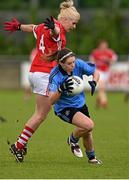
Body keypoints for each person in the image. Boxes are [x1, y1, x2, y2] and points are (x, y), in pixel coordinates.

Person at [4, 0, 80, 162]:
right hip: (44, 74)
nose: (75, 26)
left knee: (41, 112)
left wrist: (18, 27)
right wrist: (53, 28)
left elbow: (32, 27)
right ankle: (18, 145)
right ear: (65, 19)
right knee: (41, 114)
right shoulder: (57, 29)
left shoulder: (43, 26)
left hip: (35, 72)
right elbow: (55, 32)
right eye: (74, 23)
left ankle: (21, 143)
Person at [48, 48, 102, 164]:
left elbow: (95, 72)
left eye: (73, 62)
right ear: (61, 63)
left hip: (80, 104)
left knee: (87, 131)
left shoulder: (78, 64)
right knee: (88, 125)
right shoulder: (55, 76)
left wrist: (94, 82)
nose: (73, 65)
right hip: (64, 108)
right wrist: (60, 89)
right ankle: (72, 140)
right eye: (69, 63)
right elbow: (51, 101)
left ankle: (92, 158)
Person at [89, 40, 117, 108]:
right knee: (102, 87)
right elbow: (91, 60)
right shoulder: (95, 52)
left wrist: (109, 61)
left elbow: (114, 59)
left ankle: (98, 101)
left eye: (105, 45)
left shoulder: (109, 52)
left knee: (103, 88)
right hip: (98, 71)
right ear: (100, 46)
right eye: (103, 45)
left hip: (106, 72)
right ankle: (104, 101)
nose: (104, 47)